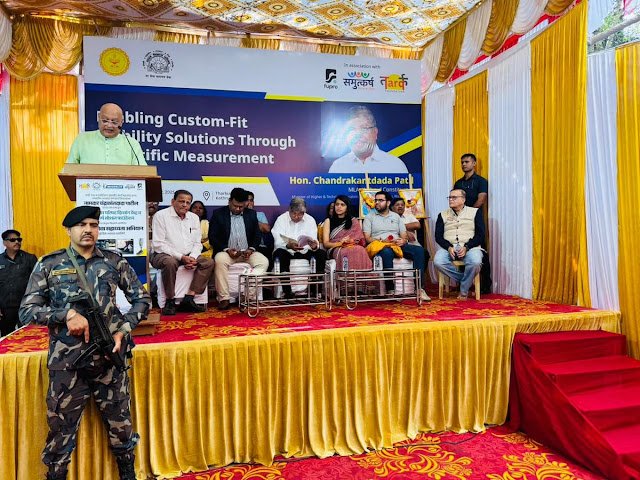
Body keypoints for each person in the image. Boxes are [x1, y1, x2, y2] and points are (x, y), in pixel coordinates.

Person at [18, 206, 151, 480]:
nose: (88, 230)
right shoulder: (49, 264)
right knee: (60, 429)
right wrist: (65, 315)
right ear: (69, 230)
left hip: (109, 358)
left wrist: (123, 329)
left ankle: (127, 473)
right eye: (81, 225)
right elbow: (27, 311)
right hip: (67, 363)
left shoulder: (113, 261)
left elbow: (142, 299)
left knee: (121, 424)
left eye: (93, 224)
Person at [151, 190, 214, 315]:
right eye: (181, 201)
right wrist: (181, 257)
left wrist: (192, 257)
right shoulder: (161, 216)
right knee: (170, 263)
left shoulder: (193, 218)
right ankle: (170, 301)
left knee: (209, 262)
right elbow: (159, 244)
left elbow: (197, 243)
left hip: (189, 254)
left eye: (188, 202)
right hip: (164, 254)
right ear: (172, 202)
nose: (185, 205)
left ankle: (189, 298)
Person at [362, 191, 430, 301]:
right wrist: (381, 240)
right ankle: (390, 289)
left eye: (380, 200)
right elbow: (367, 238)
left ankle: (419, 289)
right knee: (387, 252)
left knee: (420, 251)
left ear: (388, 203)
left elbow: (403, 235)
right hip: (380, 245)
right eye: (376, 200)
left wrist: (403, 240)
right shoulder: (369, 217)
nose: (377, 202)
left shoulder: (396, 216)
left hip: (396, 244)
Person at [209, 188, 269, 310]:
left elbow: (257, 235)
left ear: (245, 204)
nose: (237, 209)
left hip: (247, 252)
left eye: (241, 207)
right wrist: (227, 249)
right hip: (227, 252)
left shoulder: (251, 214)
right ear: (229, 201)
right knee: (219, 260)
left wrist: (251, 249)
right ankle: (224, 298)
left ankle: (247, 296)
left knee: (263, 262)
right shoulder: (218, 214)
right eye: (235, 206)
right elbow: (213, 237)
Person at [434, 189, 484, 300]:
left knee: (475, 262)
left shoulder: (475, 212)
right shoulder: (442, 214)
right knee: (438, 261)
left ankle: (463, 291)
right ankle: (465, 281)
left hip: (470, 247)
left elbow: (480, 235)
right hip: (449, 247)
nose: (450, 200)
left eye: (454, 197)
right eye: (449, 197)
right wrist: (448, 247)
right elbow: (438, 236)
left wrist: (467, 247)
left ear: (463, 199)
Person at [271, 197, 327, 298]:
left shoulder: (310, 220)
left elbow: (314, 240)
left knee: (321, 254)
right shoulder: (281, 219)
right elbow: (277, 240)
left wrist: (314, 246)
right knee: (278, 254)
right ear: (289, 210)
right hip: (287, 250)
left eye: (300, 214)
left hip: (305, 251)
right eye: (294, 213)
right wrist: (288, 245)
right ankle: (287, 292)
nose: (297, 216)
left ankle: (314, 290)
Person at [328, 106, 408, 174]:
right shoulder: (337, 167)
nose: (357, 135)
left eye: (364, 128)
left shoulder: (395, 166)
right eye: (352, 129)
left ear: (375, 132)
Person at [453, 153, 491, 293]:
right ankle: (463, 284)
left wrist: (470, 214)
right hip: (460, 220)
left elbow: (482, 199)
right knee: (460, 248)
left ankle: (485, 286)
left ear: (474, 163)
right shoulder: (458, 183)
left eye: (467, 162)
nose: (464, 164)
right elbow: (455, 200)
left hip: (475, 218)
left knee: (481, 251)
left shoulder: (481, 181)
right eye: (462, 162)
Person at [66, 103, 146, 165]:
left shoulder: (132, 144)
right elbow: (69, 171)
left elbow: (142, 172)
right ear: (98, 117)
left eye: (114, 122)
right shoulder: (82, 139)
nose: (109, 125)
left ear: (121, 122)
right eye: (105, 121)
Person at [0, 229, 37, 336]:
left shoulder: (30, 259)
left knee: (29, 335)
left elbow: (37, 282)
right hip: (6, 308)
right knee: (7, 337)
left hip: (26, 306)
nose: (17, 242)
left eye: (19, 239)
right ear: (5, 243)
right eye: (12, 240)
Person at [321, 195, 372, 271]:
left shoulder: (353, 221)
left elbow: (360, 240)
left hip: (352, 245)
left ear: (347, 207)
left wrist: (350, 241)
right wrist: (341, 243)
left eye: (342, 205)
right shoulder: (328, 221)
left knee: (360, 250)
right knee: (346, 252)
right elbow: (326, 244)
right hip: (335, 248)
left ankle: (360, 276)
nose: (339, 207)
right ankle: (345, 277)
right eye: (337, 204)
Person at [246, 190, 274, 267]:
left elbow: (266, 229)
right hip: (244, 247)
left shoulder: (260, 215)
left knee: (267, 254)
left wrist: (251, 216)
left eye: (251, 200)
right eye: (247, 200)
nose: (249, 203)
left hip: (259, 246)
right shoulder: (238, 215)